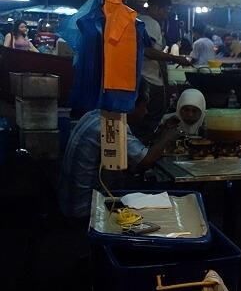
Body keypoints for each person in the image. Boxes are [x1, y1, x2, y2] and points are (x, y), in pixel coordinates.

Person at [58, 87, 180, 220]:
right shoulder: (111, 124)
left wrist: (159, 133)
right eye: (144, 106)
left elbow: (131, 156)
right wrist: (168, 137)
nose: (146, 112)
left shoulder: (95, 114)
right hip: (86, 210)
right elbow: (145, 161)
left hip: (68, 204)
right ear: (131, 105)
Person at [138, 0, 192, 139]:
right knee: (150, 121)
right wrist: (176, 58)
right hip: (149, 80)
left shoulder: (140, 20)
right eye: (166, 10)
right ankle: (145, 152)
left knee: (145, 121)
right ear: (155, 8)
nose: (166, 14)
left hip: (144, 78)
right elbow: (148, 51)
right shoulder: (150, 23)